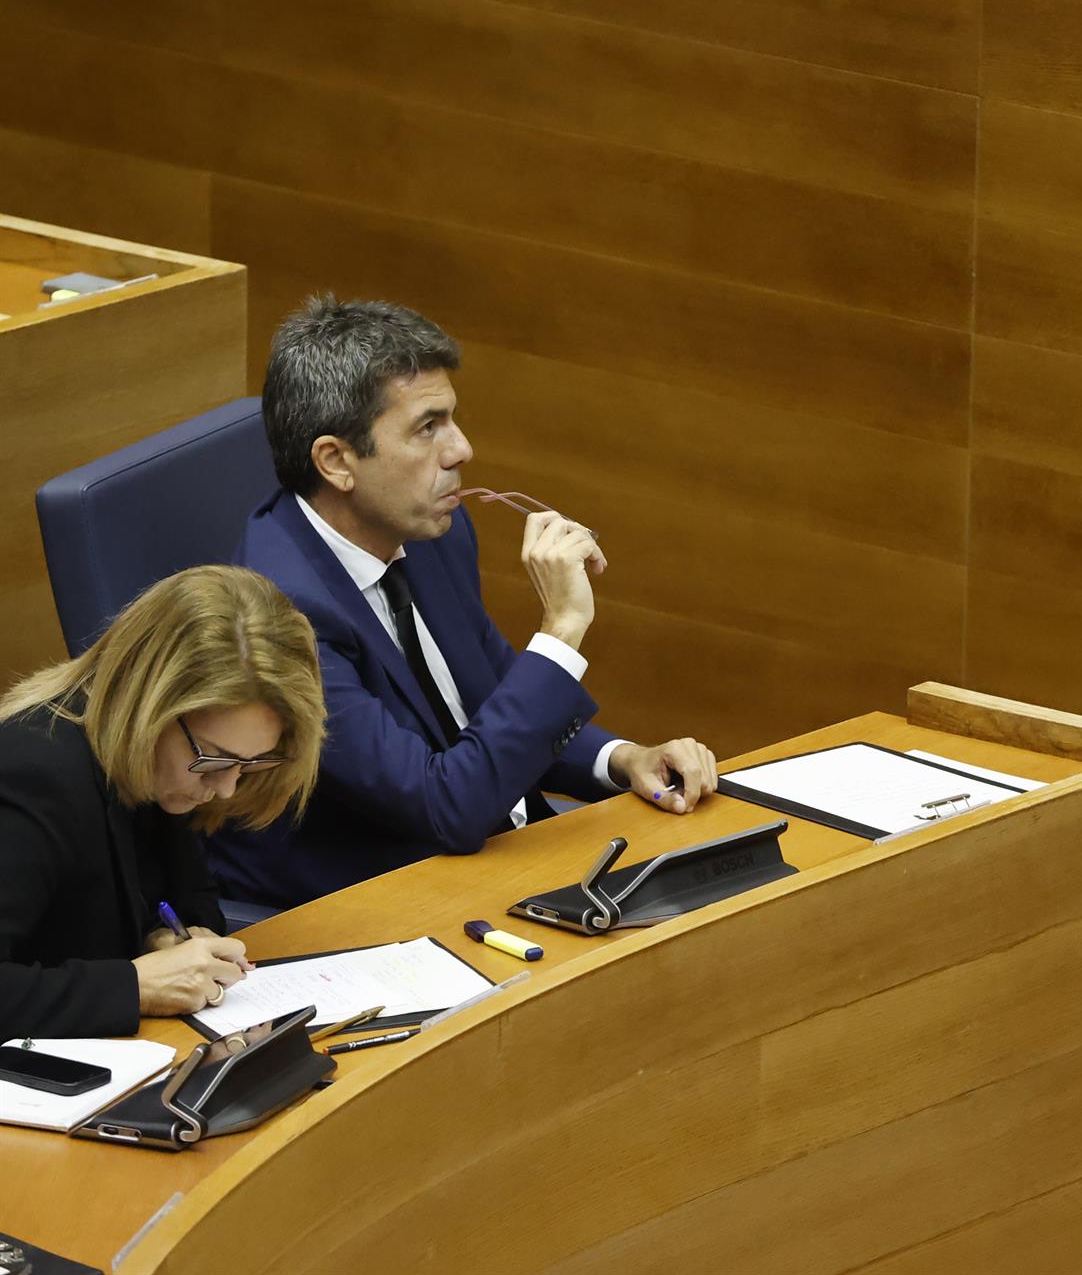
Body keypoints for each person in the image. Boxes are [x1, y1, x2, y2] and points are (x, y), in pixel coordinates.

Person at [208, 296, 718, 908]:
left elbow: (489, 695)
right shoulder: (280, 618)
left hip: (494, 852)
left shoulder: (428, 531)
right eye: (427, 428)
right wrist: (561, 628)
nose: (461, 450)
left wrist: (623, 759)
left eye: (451, 419)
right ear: (336, 461)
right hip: (383, 897)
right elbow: (444, 806)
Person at [0, 566, 325, 1038]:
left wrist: (168, 939)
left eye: (249, 764)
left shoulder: (165, 770)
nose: (227, 788)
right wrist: (134, 987)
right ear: (149, 708)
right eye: (214, 760)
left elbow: (188, 903)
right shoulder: (31, 773)